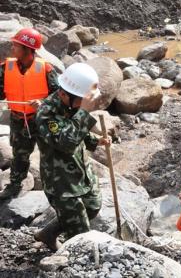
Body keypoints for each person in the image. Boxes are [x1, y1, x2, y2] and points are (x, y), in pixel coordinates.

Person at [34, 63, 110, 251]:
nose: (84, 105)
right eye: (81, 101)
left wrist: (95, 140)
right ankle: (77, 262)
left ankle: (48, 233)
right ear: (64, 94)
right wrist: (84, 111)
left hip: (81, 171)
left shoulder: (71, 104)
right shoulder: (46, 114)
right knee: (80, 233)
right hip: (62, 183)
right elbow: (65, 143)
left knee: (93, 206)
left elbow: (77, 132)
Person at [0, 28, 59, 201]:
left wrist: (44, 103)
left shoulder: (46, 69)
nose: (12, 48)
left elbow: (59, 96)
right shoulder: (6, 68)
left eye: (16, 45)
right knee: (19, 155)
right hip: (18, 120)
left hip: (42, 120)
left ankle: (54, 189)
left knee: (48, 156)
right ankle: (15, 185)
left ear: (27, 49)